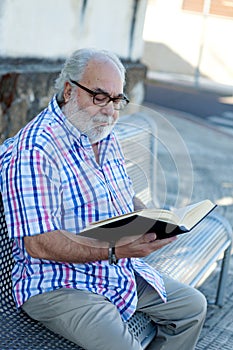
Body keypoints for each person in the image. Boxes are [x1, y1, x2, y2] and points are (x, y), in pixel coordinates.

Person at [0, 48, 207, 350]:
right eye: (99, 96)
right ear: (69, 90)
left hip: (112, 268)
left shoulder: (101, 133)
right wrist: (116, 250)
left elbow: (121, 192)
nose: (110, 109)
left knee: (192, 308)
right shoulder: (35, 151)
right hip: (57, 283)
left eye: (117, 99)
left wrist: (152, 219)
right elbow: (38, 243)